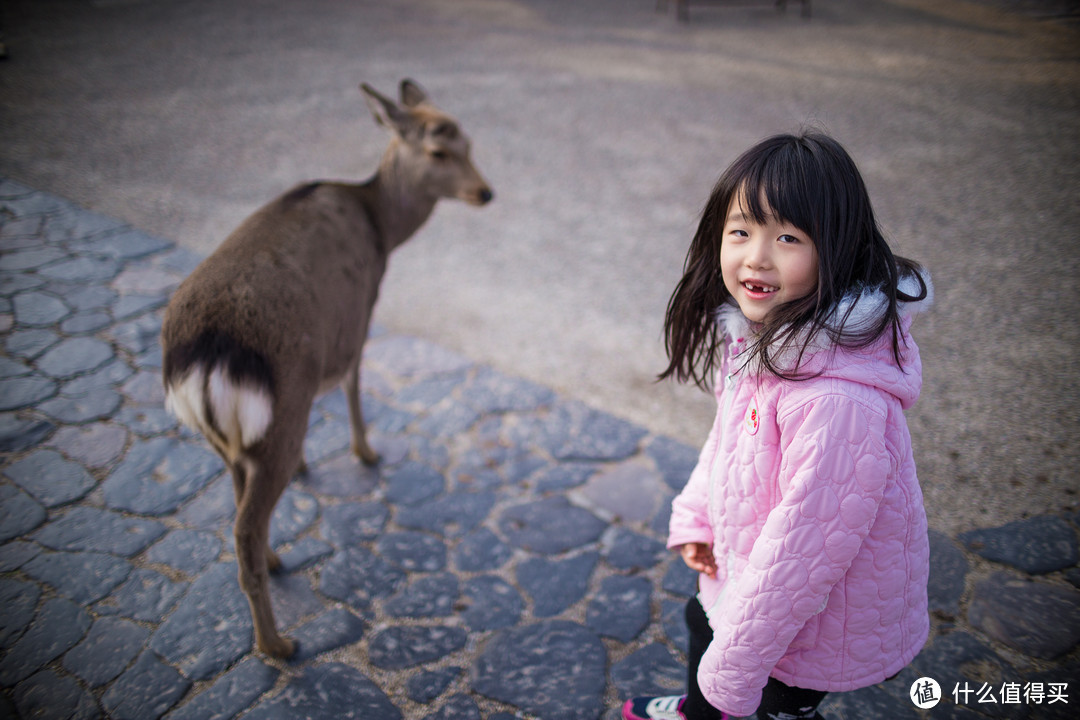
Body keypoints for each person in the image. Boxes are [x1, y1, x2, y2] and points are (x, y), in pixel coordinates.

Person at [622, 132, 932, 720]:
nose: (756, 257)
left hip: (808, 622)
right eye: (741, 231)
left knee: (758, 698)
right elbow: (727, 441)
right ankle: (702, 704)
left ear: (836, 249)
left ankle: (715, 705)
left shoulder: (838, 400)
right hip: (749, 575)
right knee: (699, 618)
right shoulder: (760, 338)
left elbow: (803, 552)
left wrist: (731, 672)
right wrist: (697, 514)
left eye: (787, 237)